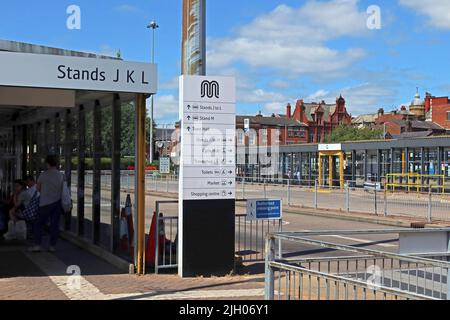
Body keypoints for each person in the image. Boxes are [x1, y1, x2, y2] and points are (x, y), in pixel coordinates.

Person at [29, 155, 63, 253]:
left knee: (38, 224)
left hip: (44, 203)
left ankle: (37, 245)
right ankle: (52, 246)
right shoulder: (60, 175)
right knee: (54, 225)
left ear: (47, 163)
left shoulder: (43, 175)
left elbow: (38, 188)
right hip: (57, 203)